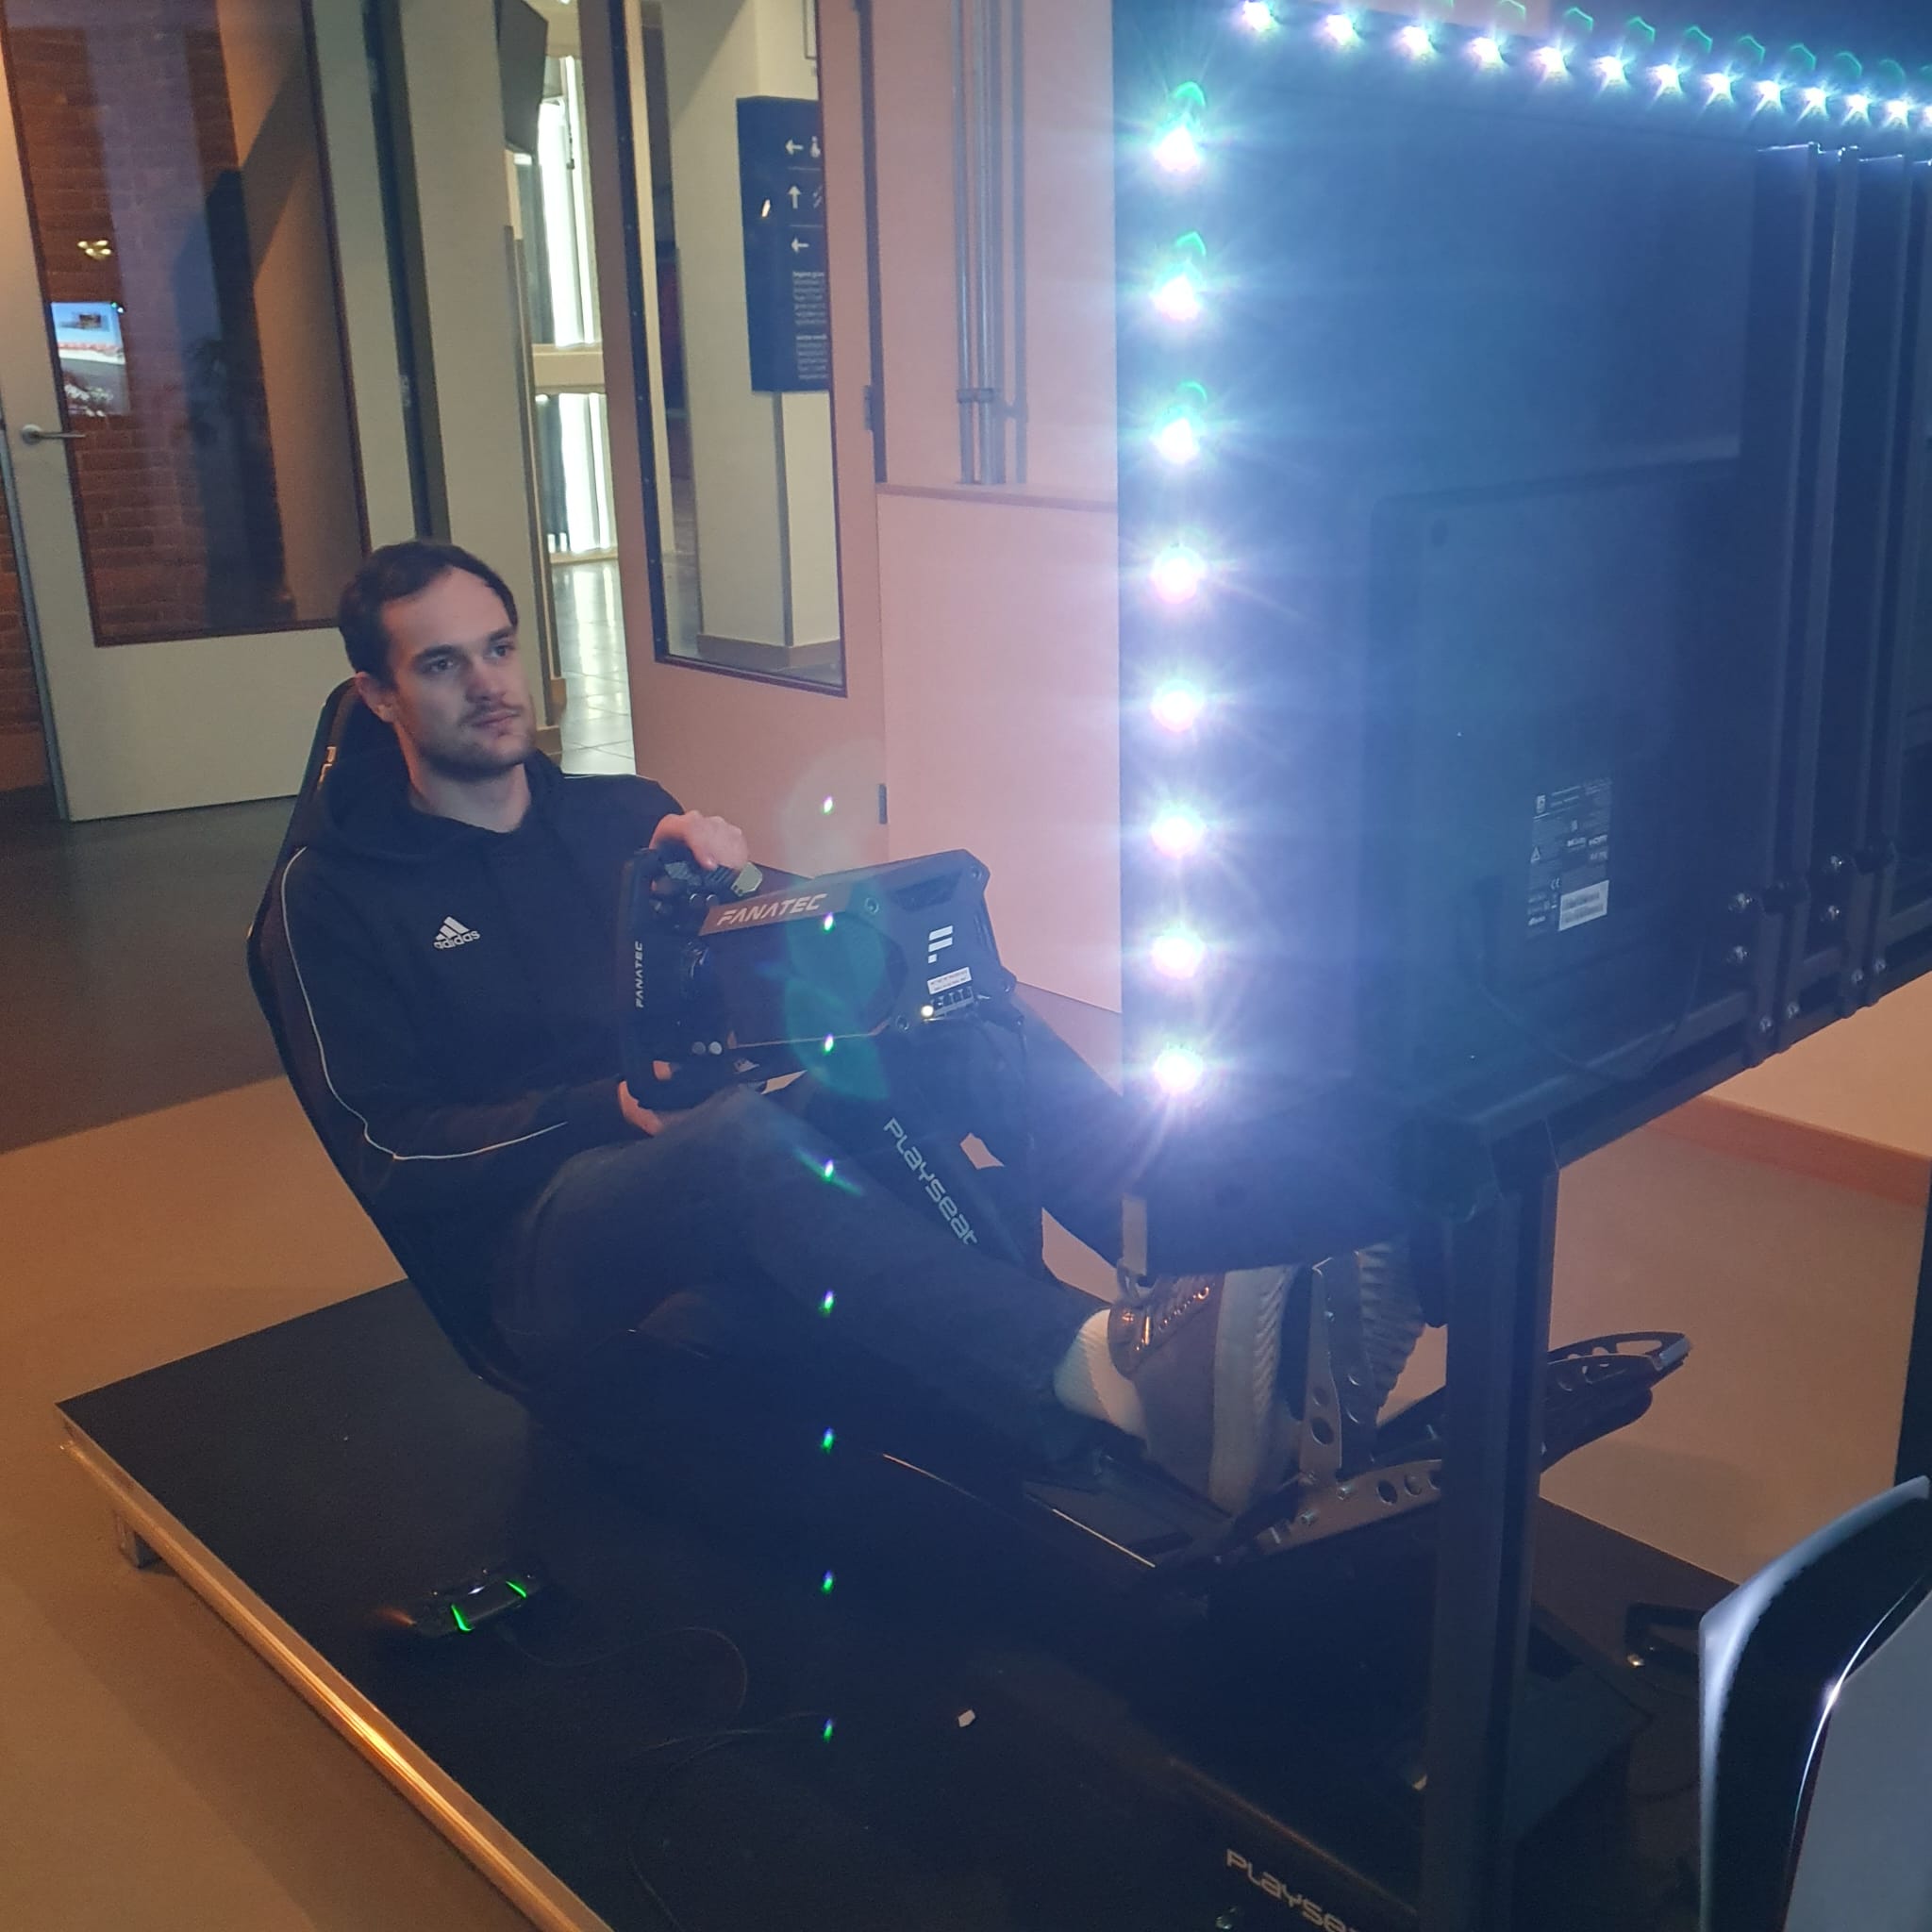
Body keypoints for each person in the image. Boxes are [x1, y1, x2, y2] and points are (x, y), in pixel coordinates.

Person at [265, 541, 1419, 1518]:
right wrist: (593, 1107)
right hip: (536, 1237)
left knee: (954, 1024)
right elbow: (388, 1144)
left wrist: (747, 898)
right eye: (442, 663)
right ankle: (1114, 1371)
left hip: (685, 1133)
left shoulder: (621, 816)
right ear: (379, 693)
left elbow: (764, 989)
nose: (486, 683)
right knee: (735, 1143)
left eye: (499, 648)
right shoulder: (334, 896)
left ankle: (1211, 1263)